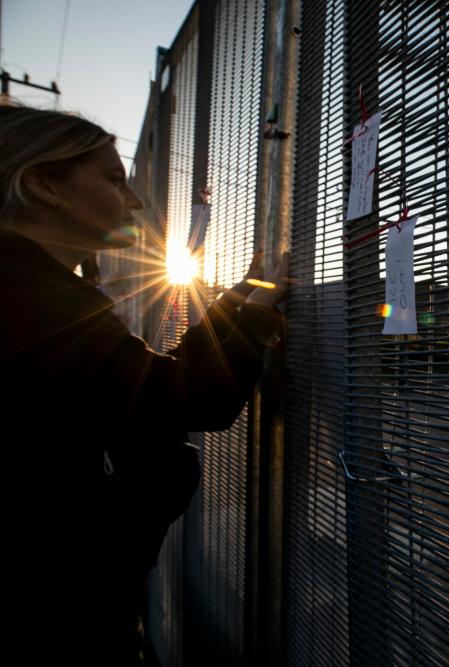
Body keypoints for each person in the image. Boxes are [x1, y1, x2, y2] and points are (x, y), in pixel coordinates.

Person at [0, 103, 287, 663]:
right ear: (42, 185)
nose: (132, 200)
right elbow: (193, 398)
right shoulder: (31, 301)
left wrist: (231, 306)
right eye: (113, 178)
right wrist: (255, 320)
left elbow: (149, 387)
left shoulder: (32, 289)